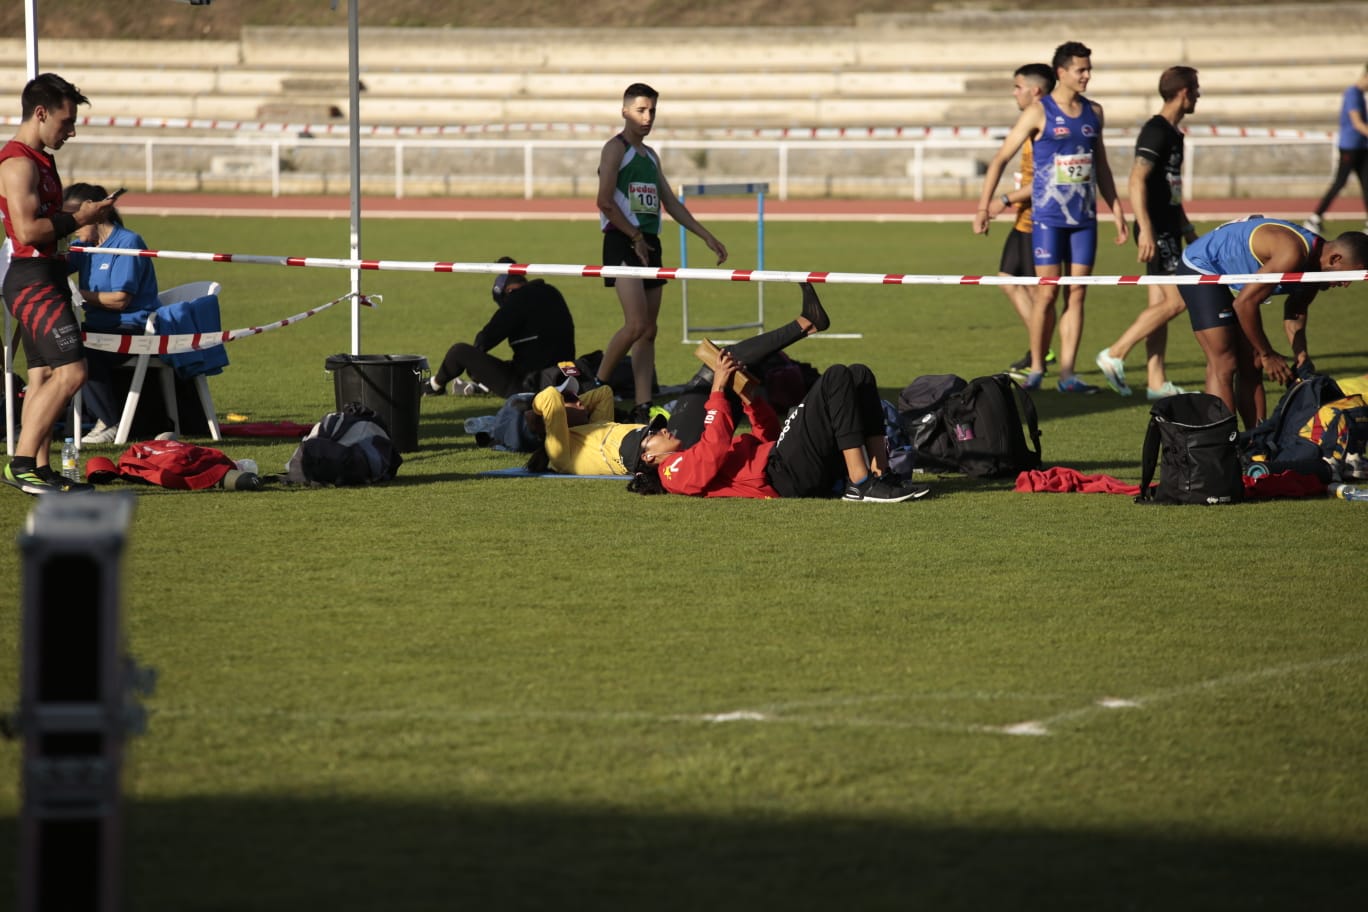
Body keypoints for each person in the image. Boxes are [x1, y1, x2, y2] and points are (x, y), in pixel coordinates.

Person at [535, 283, 831, 476]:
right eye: (570, 401)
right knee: (722, 366)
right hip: (673, 448)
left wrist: (574, 405)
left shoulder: (590, 426)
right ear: (554, 421)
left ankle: (806, 325)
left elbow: (605, 393)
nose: (577, 400)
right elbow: (549, 399)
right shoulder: (560, 454)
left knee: (728, 368)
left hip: (670, 435)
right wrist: (551, 406)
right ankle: (806, 324)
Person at [973, 41, 1128, 394]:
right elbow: (999, 160)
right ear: (1061, 73)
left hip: (1084, 220)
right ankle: (1038, 368)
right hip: (1047, 219)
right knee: (1046, 295)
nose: (1087, 75)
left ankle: (1068, 375)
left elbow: (1101, 166)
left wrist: (1117, 211)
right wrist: (984, 207)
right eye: (1081, 69)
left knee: (1077, 294)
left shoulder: (1095, 112)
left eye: (1089, 69)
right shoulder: (1038, 112)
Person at [1, 73, 116, 494]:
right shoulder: (17, 163)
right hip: (31, 281)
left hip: (43, 273)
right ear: (41, 113)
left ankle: (40, 467)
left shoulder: (40, 158)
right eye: (66, 122)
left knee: (45, 375)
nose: (71, 131)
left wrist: (68, 250)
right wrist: (80, 218)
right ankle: (21, 464)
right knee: (73, 372)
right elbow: (28, 232)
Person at [627, 352, 929, 503]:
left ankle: (880, 473)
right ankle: (861, 483)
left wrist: (749, 399)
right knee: (836, 376)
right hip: (781, 474)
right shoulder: (671, 474)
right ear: (647, 458)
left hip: (785, 461)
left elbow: (768, 434)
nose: (662, 431)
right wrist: (717, 389)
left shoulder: (689, 456)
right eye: (652, 435)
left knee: (858, 375)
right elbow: (715, 447)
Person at [595, 82, 728, 422]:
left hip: (650, 242)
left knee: (649, 330)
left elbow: (670, 203)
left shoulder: (650, 155)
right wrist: (635, 235)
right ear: (625, 111)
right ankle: (594, 387)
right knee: (636, 324)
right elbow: (605, 202)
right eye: (641, 110)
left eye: (652, 110)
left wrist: (706, 236)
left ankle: (642, 404)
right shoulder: (615, 149)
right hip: (623, 240)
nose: (648, 116)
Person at [1177, 216, 1368, 428]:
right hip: (1202, 266)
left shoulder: (1317, 266)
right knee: (1224, 362)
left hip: (1237, 282)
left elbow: (1295, 311)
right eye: (1353, 273)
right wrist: (1268, 354)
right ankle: (1222, 449)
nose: (1347, 283)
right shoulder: (1293, 253)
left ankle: (1256, 444)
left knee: (1253, 363)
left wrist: (1302, 357)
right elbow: (1245, 304)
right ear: (1335, 259)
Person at [1095, 66, 1202, 400]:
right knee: (1178, 301)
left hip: (1169, 227)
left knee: (1159, 305)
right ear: (1184, 92)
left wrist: (1187, 229)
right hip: (1156, 230)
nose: (1198, 96)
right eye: (1196, 89)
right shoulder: (1155, 130)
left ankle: (1156, 383)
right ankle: (1115, 352)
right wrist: (1146, 230)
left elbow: (1171, 190)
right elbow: (1136, 179)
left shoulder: (1175, 134)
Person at [64, 181, 160, 444]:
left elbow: (119, 300)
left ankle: (110, 422)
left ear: (100, 214)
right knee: (56, 341)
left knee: (77, 348)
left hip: (132, 329)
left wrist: (76, 294)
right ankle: (66, 418)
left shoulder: (128, 241)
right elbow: (56, 268)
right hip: (99, 329)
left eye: (76, 220)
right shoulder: (83, 244)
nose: (72, 226)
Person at [981, 62, 1059, 377]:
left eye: (1017, 86)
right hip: (1024, 219)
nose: (1014, 92)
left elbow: (1046, 178)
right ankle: (1040, 347)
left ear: (1035, 90)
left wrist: (1003, 200)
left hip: (1039, 220)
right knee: (1008, 279)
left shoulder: (1044, 125)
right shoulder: (1027, 124)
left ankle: (1041, 352)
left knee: (1041, 294)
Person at [422, 257, 575, 398]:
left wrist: (476, 370)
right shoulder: (551, 292)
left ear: (507, 291)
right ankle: (483, 387)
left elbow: (484, 341)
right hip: (567, 376)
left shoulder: (516, 300)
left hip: (532, 384)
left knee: (459, 352)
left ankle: (433, 387)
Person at [1304, 64, 1368, 235]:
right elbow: (1357, 123)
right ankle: (1314, 217)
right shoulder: (1353, 94)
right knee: (1340, 182)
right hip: (1350, 147)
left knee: (1366, 183)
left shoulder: (1360, 95)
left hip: (1362, 146)